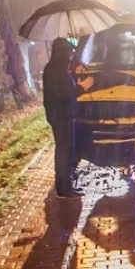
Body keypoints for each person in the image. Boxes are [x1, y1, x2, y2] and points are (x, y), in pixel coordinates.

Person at [43, 38, 94, 198]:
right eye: (69, 52)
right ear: (62, 52)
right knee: (65, 152)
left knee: (65, 150)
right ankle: (64, 188)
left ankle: (65, 184)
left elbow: (64, 86)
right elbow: (66, 94)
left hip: (60, 115)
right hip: (62, 117)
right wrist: (82, 87)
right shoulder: (57, 71)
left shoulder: (54, 68)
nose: (72, 55)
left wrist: (74, 74)